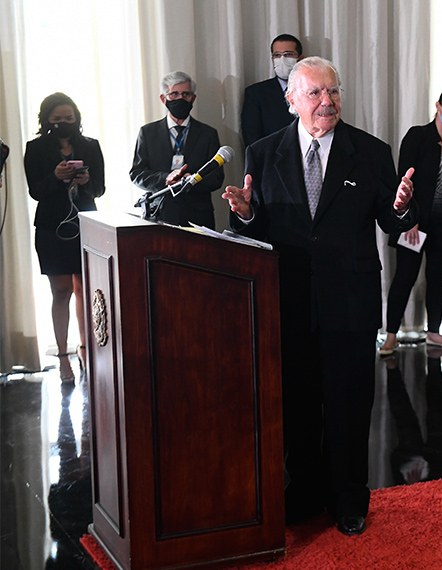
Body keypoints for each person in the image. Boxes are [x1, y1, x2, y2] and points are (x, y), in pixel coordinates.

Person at [221, 56, 417, 537]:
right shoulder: (263, 152)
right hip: (288, 303)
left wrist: (400, 208)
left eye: (333, 91)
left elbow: (392, 221)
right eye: (315, 93)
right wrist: (245, 215)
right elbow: (254, 229)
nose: (327, 101)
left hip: (349, 303)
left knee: (349, 405)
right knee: (298, 405)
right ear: (291, 101)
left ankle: (349, 499)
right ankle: (304, 493)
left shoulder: (370, 151)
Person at [379, 88, 442, 355]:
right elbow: (405, 179)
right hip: (416, 222)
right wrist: (410, 219)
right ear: (438, 106)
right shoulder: (418, 135)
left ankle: (434, 332)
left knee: (437, 278)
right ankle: (391, 335)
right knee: (405, 276)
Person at [24, 93, 105, 383]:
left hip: (86, 225)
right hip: (52, 228)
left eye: (68, 118)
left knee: (86, 290)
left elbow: (100, 189)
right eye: (57, 119)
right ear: (46, 120)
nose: (63, 123)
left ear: (77, 118)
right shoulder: (35, 148)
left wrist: (86, 181)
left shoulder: (91, 146)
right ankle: (62, 356)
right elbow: (35, 191)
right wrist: (56, 177)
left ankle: (87, 350)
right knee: (60, 291)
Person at [130, 71, 223, 228]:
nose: (180, 99)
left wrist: (191, 180)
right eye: (174, 94)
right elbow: (137, 174)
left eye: (185, 94)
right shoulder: (147, 132)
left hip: (198, 216)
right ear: (163, 98)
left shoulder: (208, 134)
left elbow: (217, 178)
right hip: (160, 213)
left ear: (193, 98)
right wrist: (166, 178)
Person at [241, 33, 303, 147]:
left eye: (288, 54)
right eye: (277, 55)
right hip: (272, 156)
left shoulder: (315, 90)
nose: (282, 59)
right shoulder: (256, 93)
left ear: (300, 58)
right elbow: (252, 139)